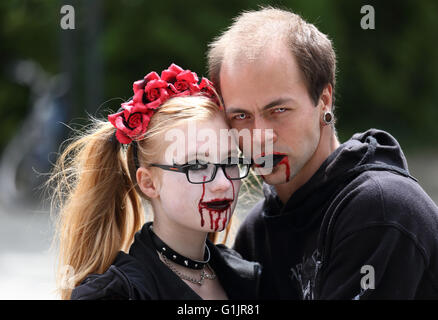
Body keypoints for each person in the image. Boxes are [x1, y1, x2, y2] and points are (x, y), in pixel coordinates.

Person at [207, 7, 438, 299]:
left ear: (324, 101)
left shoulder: (381, 209)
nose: (259, 137)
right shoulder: (256, 233)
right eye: (241, 116)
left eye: (278, 110)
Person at [50, 63, 261, 300]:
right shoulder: (119, 294)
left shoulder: (249, 276)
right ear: (148, 183)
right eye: (196, 166)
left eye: (231, 161)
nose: (223, 183)